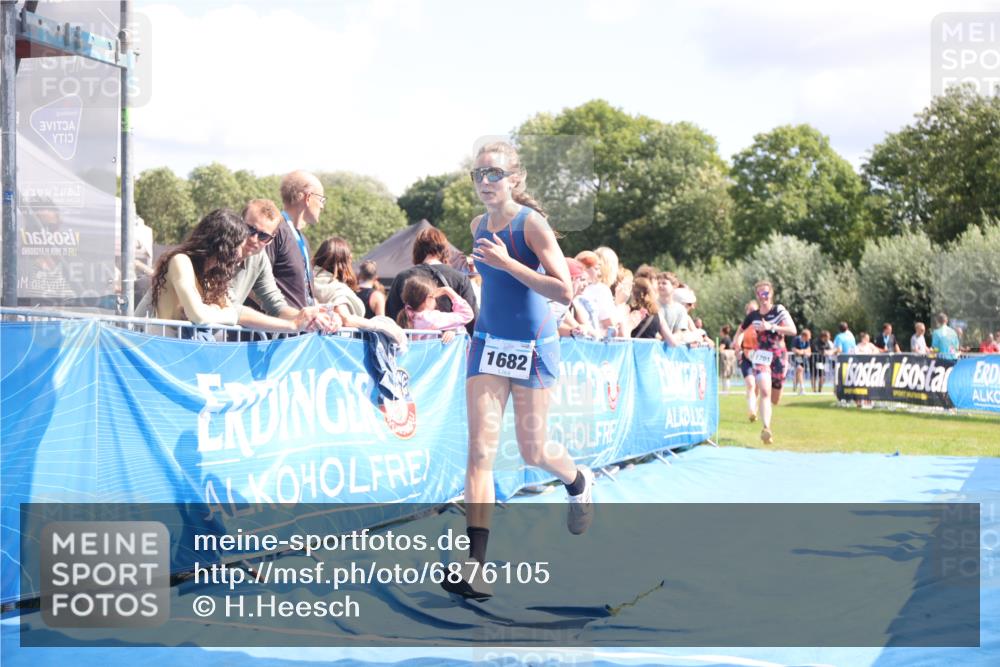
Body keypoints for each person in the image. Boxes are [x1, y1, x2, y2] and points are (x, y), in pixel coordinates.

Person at [445, 141, 592, 601]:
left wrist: (509, 264)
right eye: (478, 175)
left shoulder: (533, 224)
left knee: (532, 451)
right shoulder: (475, 226)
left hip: (533, 345)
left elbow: (564, 291)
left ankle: (577, 480)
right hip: (488, 343)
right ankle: (476, 566)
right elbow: (491, 282)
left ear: (515, 179)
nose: (485, 182)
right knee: (480, 452)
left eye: (494, 173)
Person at [147, 208, 248, 330]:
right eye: (238, 246)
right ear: (225, 245)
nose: (240, 253)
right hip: (166, 344)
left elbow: (233, 316)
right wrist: (213, 310)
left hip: (185, 346)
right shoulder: (181, 261)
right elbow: (198, 316)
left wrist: (207, 310)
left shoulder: (211, 276)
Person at [312, 236, 406, 345]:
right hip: (336, 347)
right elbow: (347, 319)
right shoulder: (334, 287)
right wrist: (382, 327)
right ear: (344, 262)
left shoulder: (309, 282)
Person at [734, 281, 796, 445]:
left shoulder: (779, 310)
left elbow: (792, 330)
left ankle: (767, 409)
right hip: (762, 355)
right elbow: (740, 330)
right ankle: (766, 428)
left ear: (771, 294)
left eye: (766, 293)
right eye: (760, 293)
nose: (764, 296)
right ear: (757, 296)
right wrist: (737, 343)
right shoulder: (753, 316)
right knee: (764, 390)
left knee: (775, 399)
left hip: (779, 356)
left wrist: (772, 326)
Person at [386, 226, 479, 335]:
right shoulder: (460, 278)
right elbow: (473, 321)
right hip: (449, 349)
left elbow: (392, 317)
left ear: (417, 250)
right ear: (444, 250)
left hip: (412, 347)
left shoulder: (403, 277)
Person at [268, 170, 326, 309]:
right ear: (308, 198)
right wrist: (285, 315)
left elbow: (300, 294)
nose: (322, 206)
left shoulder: (303, 240)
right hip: (275, 330)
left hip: (298, 330)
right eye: (321, 199)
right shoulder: (272, 231)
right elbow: (252, 283)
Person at [394, 274, 472, 344]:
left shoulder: (409, 315)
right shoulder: (430, 317)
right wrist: (448, 291)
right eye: (435, 297)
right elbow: (467, 315)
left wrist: (452, 331)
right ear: (428, 298)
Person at [558, 258, 603, 339]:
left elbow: (586, 328)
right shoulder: (558, 302)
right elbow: (559, 326)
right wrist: (573, 331)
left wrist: (582, 329)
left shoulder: (574, 303)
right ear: (571, 279)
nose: (586, 284)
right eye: (581, 279)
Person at [576, 249, 616, 334]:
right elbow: (610, 325)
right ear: (584, 268)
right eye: (596, 269)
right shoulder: (600, 290)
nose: (600, 273)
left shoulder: (601, 289)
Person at [733, 300, 760, 422]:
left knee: (758, 387)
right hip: (746, 357)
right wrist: (738, 348)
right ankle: (752, 411)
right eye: (749, 310)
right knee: (750, 384)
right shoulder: (744, 326)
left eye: (754, 310)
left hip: (760, 358)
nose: (751, 312)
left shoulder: (761, 325)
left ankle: (755, 406)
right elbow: (738, 337)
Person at [611, 267, 634, 338]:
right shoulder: (611, 303)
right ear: (618, 284)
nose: (631, 287)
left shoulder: (626, 307)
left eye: (631, 283)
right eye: (627, 284)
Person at [790, 328, 812, 395]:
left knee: (798, 373)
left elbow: (809, 352)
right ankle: (802, 388)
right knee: (800, 369)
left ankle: (794, 386)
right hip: (796, 357)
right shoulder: (796, 339)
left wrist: (802, 352)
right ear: (804, 336)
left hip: (802, 358)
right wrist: (802, 352)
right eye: (808, 337)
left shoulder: (807, 341)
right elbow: (794, 350)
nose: (809, 338)